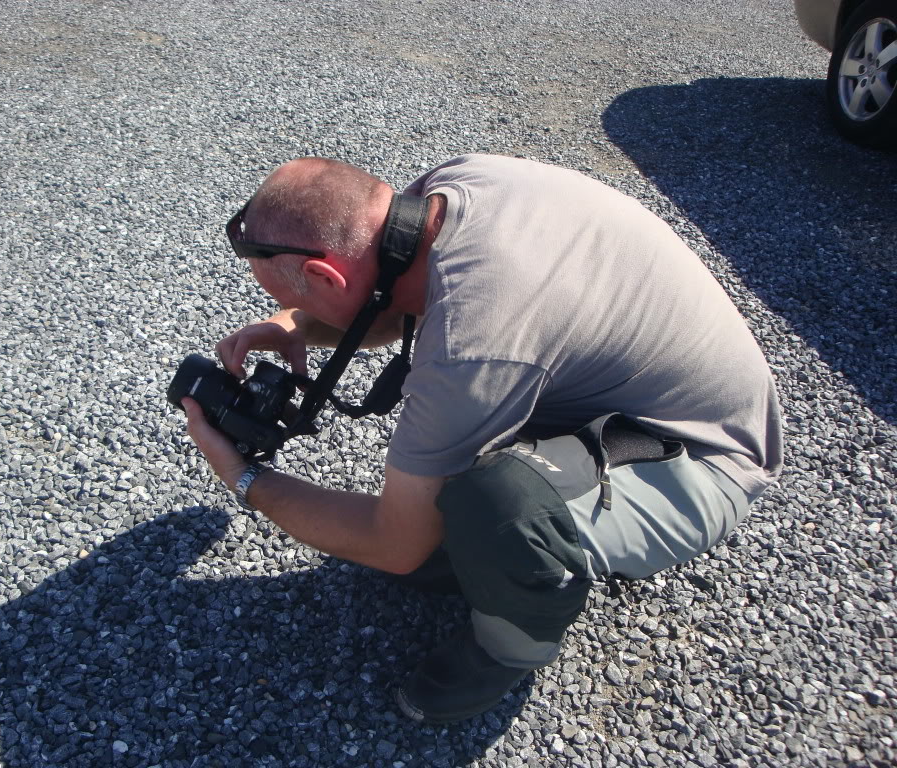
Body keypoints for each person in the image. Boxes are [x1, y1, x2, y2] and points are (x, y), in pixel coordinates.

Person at [180, 154, 784, 724]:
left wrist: (244, 476)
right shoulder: (449, 190)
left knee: (498, 508)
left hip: (700, 451)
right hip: (617, 387)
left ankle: (511, 647)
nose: (287, 310)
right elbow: (387, 302)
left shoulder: (477, 341)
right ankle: (499, 540)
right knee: (445, 478)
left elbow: (394, 547)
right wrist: (293, 323)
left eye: (288, 295)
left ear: (322, 273)